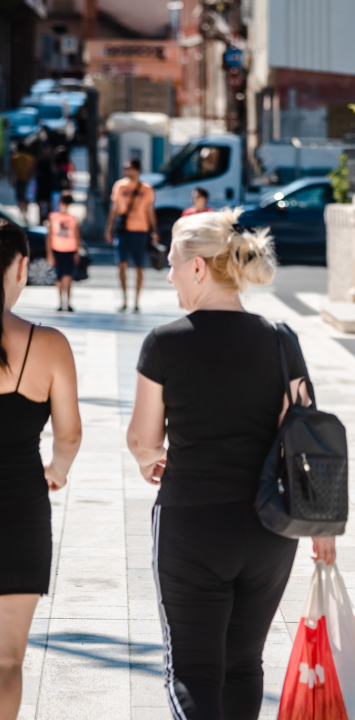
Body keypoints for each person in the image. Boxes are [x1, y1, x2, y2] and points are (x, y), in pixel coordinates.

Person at [127, 208, 334, 720]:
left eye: (173, 263)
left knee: (192, 672)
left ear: (198, 267)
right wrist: (322, 526)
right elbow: (306, 437)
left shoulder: (165, 343)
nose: (169, 276)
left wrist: (150, 459)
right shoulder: (282, 340)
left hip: (192, 523)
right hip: (269, 529)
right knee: (244, 665)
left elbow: (142, 439)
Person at [0, 220, 81, 720]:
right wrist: (57, 470)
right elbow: (69, 436)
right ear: (21, 268)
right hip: (20, 513)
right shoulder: (47, 344)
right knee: (7, 660)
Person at [105, 158, 158, 312]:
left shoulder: (146, 188)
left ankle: (136, 302)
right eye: (125, 168)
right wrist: (109, 228)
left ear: (137, 170)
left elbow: (150, 210)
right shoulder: (119, 185)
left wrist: (155, 230)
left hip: (141, 230)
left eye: (129, 168)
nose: (127, 171)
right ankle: (124, 300)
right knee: (121, 264)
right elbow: (114, 208)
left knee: (139, 267)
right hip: (123, 230)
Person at [46, 193, 81, 312]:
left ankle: (68, 302)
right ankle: (61, 302)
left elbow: (76, 234)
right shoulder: (53, 217)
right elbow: (49, 235)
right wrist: (49, 254)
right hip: (57, 249)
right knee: (58, 278)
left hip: (70, 249)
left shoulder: (72, 218)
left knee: (68, 277)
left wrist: (77, 250)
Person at [8, 144, 34, 223]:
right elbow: (32, 170)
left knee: (19, 198)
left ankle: (21, 214)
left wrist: (11, 180)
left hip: (18, 179)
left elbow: (11, 170)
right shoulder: (29, 157)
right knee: (25, 198)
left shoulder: (14, 157)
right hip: (27, 180)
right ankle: (26, 214)